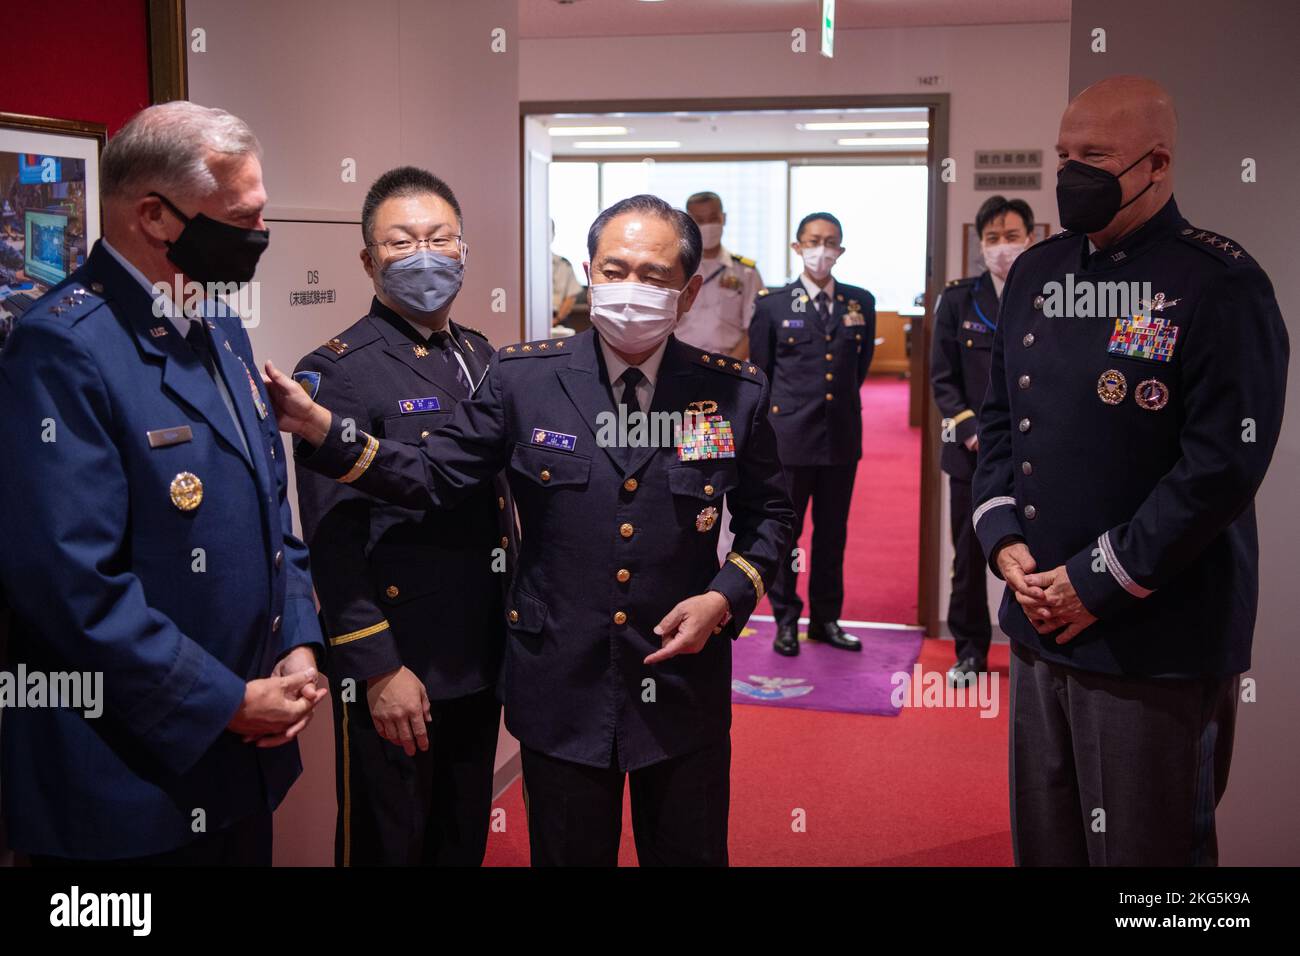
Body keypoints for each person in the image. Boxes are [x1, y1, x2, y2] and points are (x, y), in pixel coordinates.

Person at [266, 194, 793, 866]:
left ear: (688, 293)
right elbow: (430, 474)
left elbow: (771, 516)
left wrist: (726, 597)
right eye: (615, 268)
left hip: (681, 687)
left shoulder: (733, 393)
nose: (631, 288)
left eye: (654, 276)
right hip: (561, 690)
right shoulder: (522, 380)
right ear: (589, 272)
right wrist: (321, 430)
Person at [973, 75, 1288, 865]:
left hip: (1152, 633)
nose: (1071, 172)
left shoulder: (1217, 282)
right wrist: (1004, 540)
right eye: (1063, 155)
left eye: (1095, 157)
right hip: (1040, 618)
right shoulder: (1039, 274)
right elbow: (1003, 420)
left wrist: (1098, 581)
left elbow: (1221, 466)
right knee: (1049, 846)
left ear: (1155, 164)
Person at [0, 102, 326, 865]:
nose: (258, 236)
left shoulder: (219, 324)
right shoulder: (61, 349)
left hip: (241, 762)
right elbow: (69, 583)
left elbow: (271, 506)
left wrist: (301, 646)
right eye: (241, 218)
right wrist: (224, 703)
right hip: (128, 783)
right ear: (154, 215)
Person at [292, 167, 516, 866]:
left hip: (479, 653)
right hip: (401, 660)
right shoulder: (337, 373)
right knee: (389, 844)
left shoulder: (481, 354)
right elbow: (332, 534)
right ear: (368, 259)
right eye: (401, 241)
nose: (424, 253)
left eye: (438, 237)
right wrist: (376, 665)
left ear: (463, 249)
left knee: (459, 836)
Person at [750, 212, 876, 657]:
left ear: (841, 250)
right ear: (797, 247)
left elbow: (856, 372)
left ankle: (826, 619)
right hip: (789, 439)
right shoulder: (772, 305)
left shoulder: (859, 302)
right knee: (786, 534)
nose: (822, 249)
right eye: (813, 240)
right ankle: (786, 619)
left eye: (831, 242)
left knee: (832, 534)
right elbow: (761, 374)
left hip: (840, 437)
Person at [930, 195, 1036, 684]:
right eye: (992, 239)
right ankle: (969, 650)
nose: (1001, 247)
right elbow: (942, 379)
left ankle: (1034, 646)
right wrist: (972, 430)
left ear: (1031, 238)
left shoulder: (1050, 296)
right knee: (970, 558)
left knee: (1040, 552)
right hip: (971, 454)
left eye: (1011, 237)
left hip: (1037, 455)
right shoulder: (957, 300)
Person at [675, 191, 765, 359]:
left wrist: (727, 368)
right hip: (679, 362)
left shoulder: (746, 272)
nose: (708, 225)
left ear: (723, 218)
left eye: (713, 219)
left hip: (730, 366)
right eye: (700, 221)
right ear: (688, 223)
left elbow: (754, 328)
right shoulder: (677, 268)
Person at [551, 219, 582, 326]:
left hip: (557, 319)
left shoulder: (564, 264)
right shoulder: (524, 266)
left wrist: (556, 320)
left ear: (553, 235)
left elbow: (571, 297)